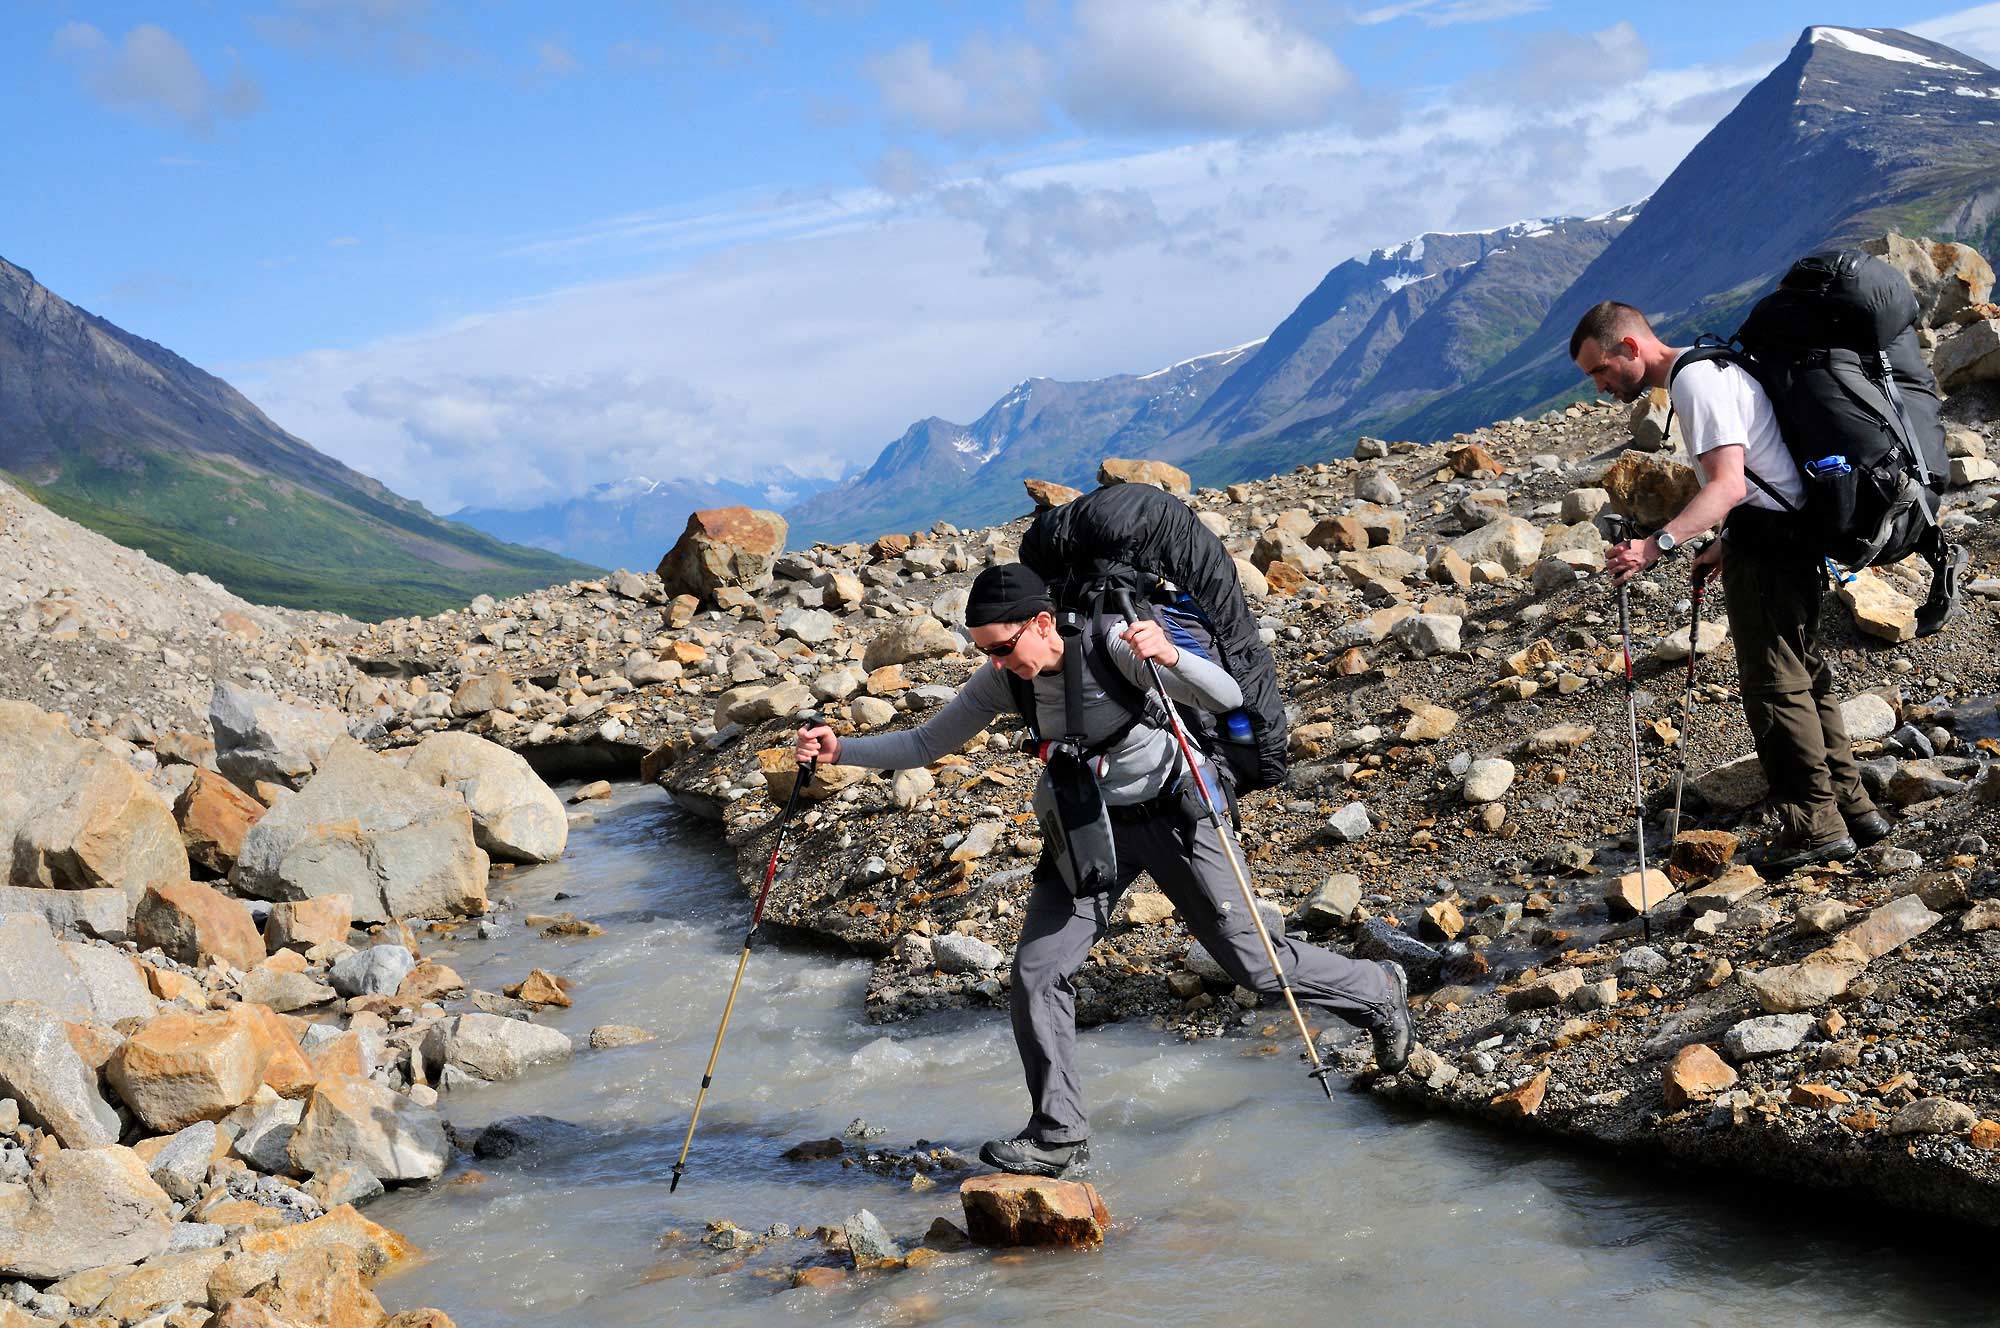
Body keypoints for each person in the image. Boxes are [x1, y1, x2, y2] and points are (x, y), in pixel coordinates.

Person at [794, 562, 1413, 1178]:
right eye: (985, 653)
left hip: (1177, 814)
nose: (996, 665)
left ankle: (1377, 989)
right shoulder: (1004, 679)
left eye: (1003, 650)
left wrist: (1170, 657)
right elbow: (925, 745)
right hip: (1089, 825)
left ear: (1042, 623)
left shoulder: (1116, 643)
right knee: (1037, 973)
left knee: (1252, 962)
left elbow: (1227, 696)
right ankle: (1059, 1135)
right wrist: (841, 749)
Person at [1570, 301, 1891, 873]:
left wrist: (1653, 547)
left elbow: (1727, 484)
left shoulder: (1696, 383)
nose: (1600, 385)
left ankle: (1815, 824)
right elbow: (1762, 473)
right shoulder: (1713, 367)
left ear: (1629, 347)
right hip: (1784, 535)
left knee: (1775, 687)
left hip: (1771, 549)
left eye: (1600, 369)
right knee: (1805, 674)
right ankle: (1854, 808)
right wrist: (1722, 543)